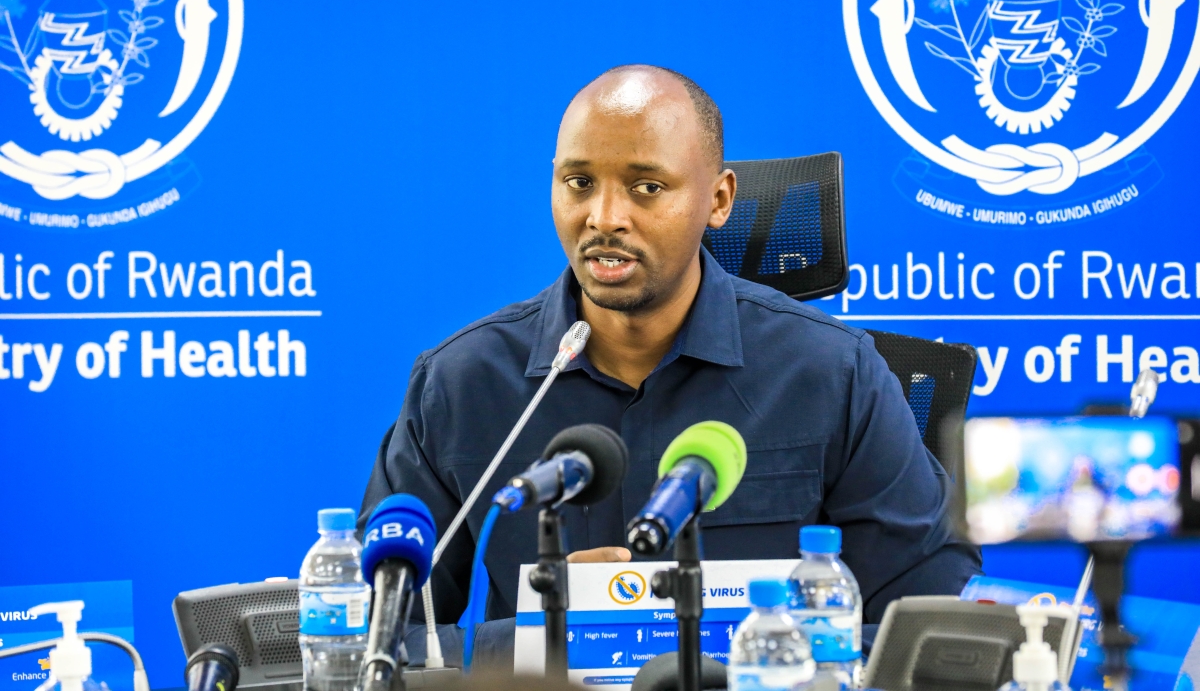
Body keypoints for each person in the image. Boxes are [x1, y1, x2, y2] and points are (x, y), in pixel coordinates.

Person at [359, 64, 982, 667]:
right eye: (579, 183)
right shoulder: (463, 383)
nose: (604, 217)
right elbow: (375, 641)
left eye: (646, 187)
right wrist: (539, 639)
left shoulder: (833, 374)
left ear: (718, 200)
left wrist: (759, 649)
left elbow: (931, 626)